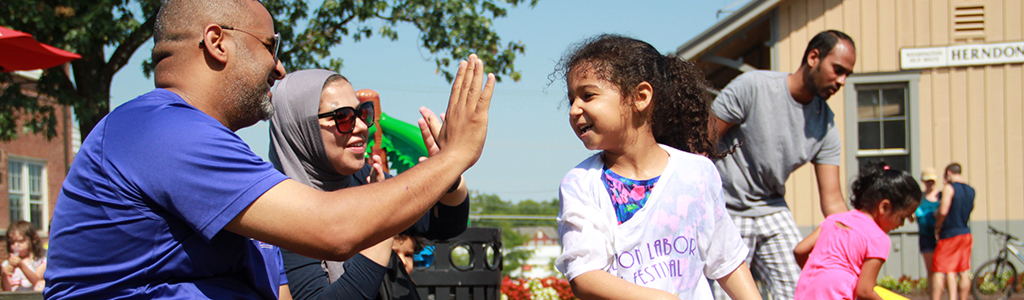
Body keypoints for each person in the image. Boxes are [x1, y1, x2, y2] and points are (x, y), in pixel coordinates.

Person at [42, 0, 494, 298]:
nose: (279, 68)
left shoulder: (232, 167)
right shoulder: (155, 131)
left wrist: (448, 176)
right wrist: (454, 155)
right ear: (218, 42)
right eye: (270, 45)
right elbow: (334, 230)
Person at [554, 34, 761, 300]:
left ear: (640, 97)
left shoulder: (698, 173)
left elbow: (727, 260)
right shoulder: (581, 183)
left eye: (588, 95)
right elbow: (585, 276)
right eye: (572, 99)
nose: (574, 109)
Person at [268, 69, 469, 300]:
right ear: (301, 128)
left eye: (363, 113)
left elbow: (445, 224)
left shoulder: (365, 176)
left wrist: (450, 177)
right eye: (342, 117)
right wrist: (381, 222)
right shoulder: (278, 205)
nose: (363, 127)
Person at [708, 30, 856, 300]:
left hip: (771, 207)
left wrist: (858, 232)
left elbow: (833, 200)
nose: (842, 80)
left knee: (800, 290)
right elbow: (700, 146)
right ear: (814, 57)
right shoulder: (753, 86)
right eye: (838, 70)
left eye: (847, 74)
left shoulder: (826, 125)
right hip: (726, 206)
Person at [792, 162, 921, 300]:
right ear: (884, 207)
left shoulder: (834, 220)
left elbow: (799, 250)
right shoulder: (878, 239)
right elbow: (864, 291)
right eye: (902, 217)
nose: (901, 224)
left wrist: (820, 274)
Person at [931, 163, 975, 300]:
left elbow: (943, 211)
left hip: (950, 234)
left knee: (939, 269)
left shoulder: (949, 189)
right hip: (965, 232)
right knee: (963, 270)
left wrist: (937, 226)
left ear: (949, 173)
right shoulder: (971, 190)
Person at [913, 168, 941, 289]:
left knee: (940, 270)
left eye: (932, 181)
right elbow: (912, 215)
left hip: (941, 236)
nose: (930, 184)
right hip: (925, 236)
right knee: (930, 270)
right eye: (927, 181)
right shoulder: (920, 198)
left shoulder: (941, 196)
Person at [2, 221, 46, 292]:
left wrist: (21, 265)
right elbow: (6, 290)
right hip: (15, 297)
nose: (16, 245)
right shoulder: (7, 264)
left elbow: (37, 281)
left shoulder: (40, 261)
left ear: (33, 239)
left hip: (34, 296)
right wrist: (4, 274)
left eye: (21, 241)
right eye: (12, 242)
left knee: (42, 284)